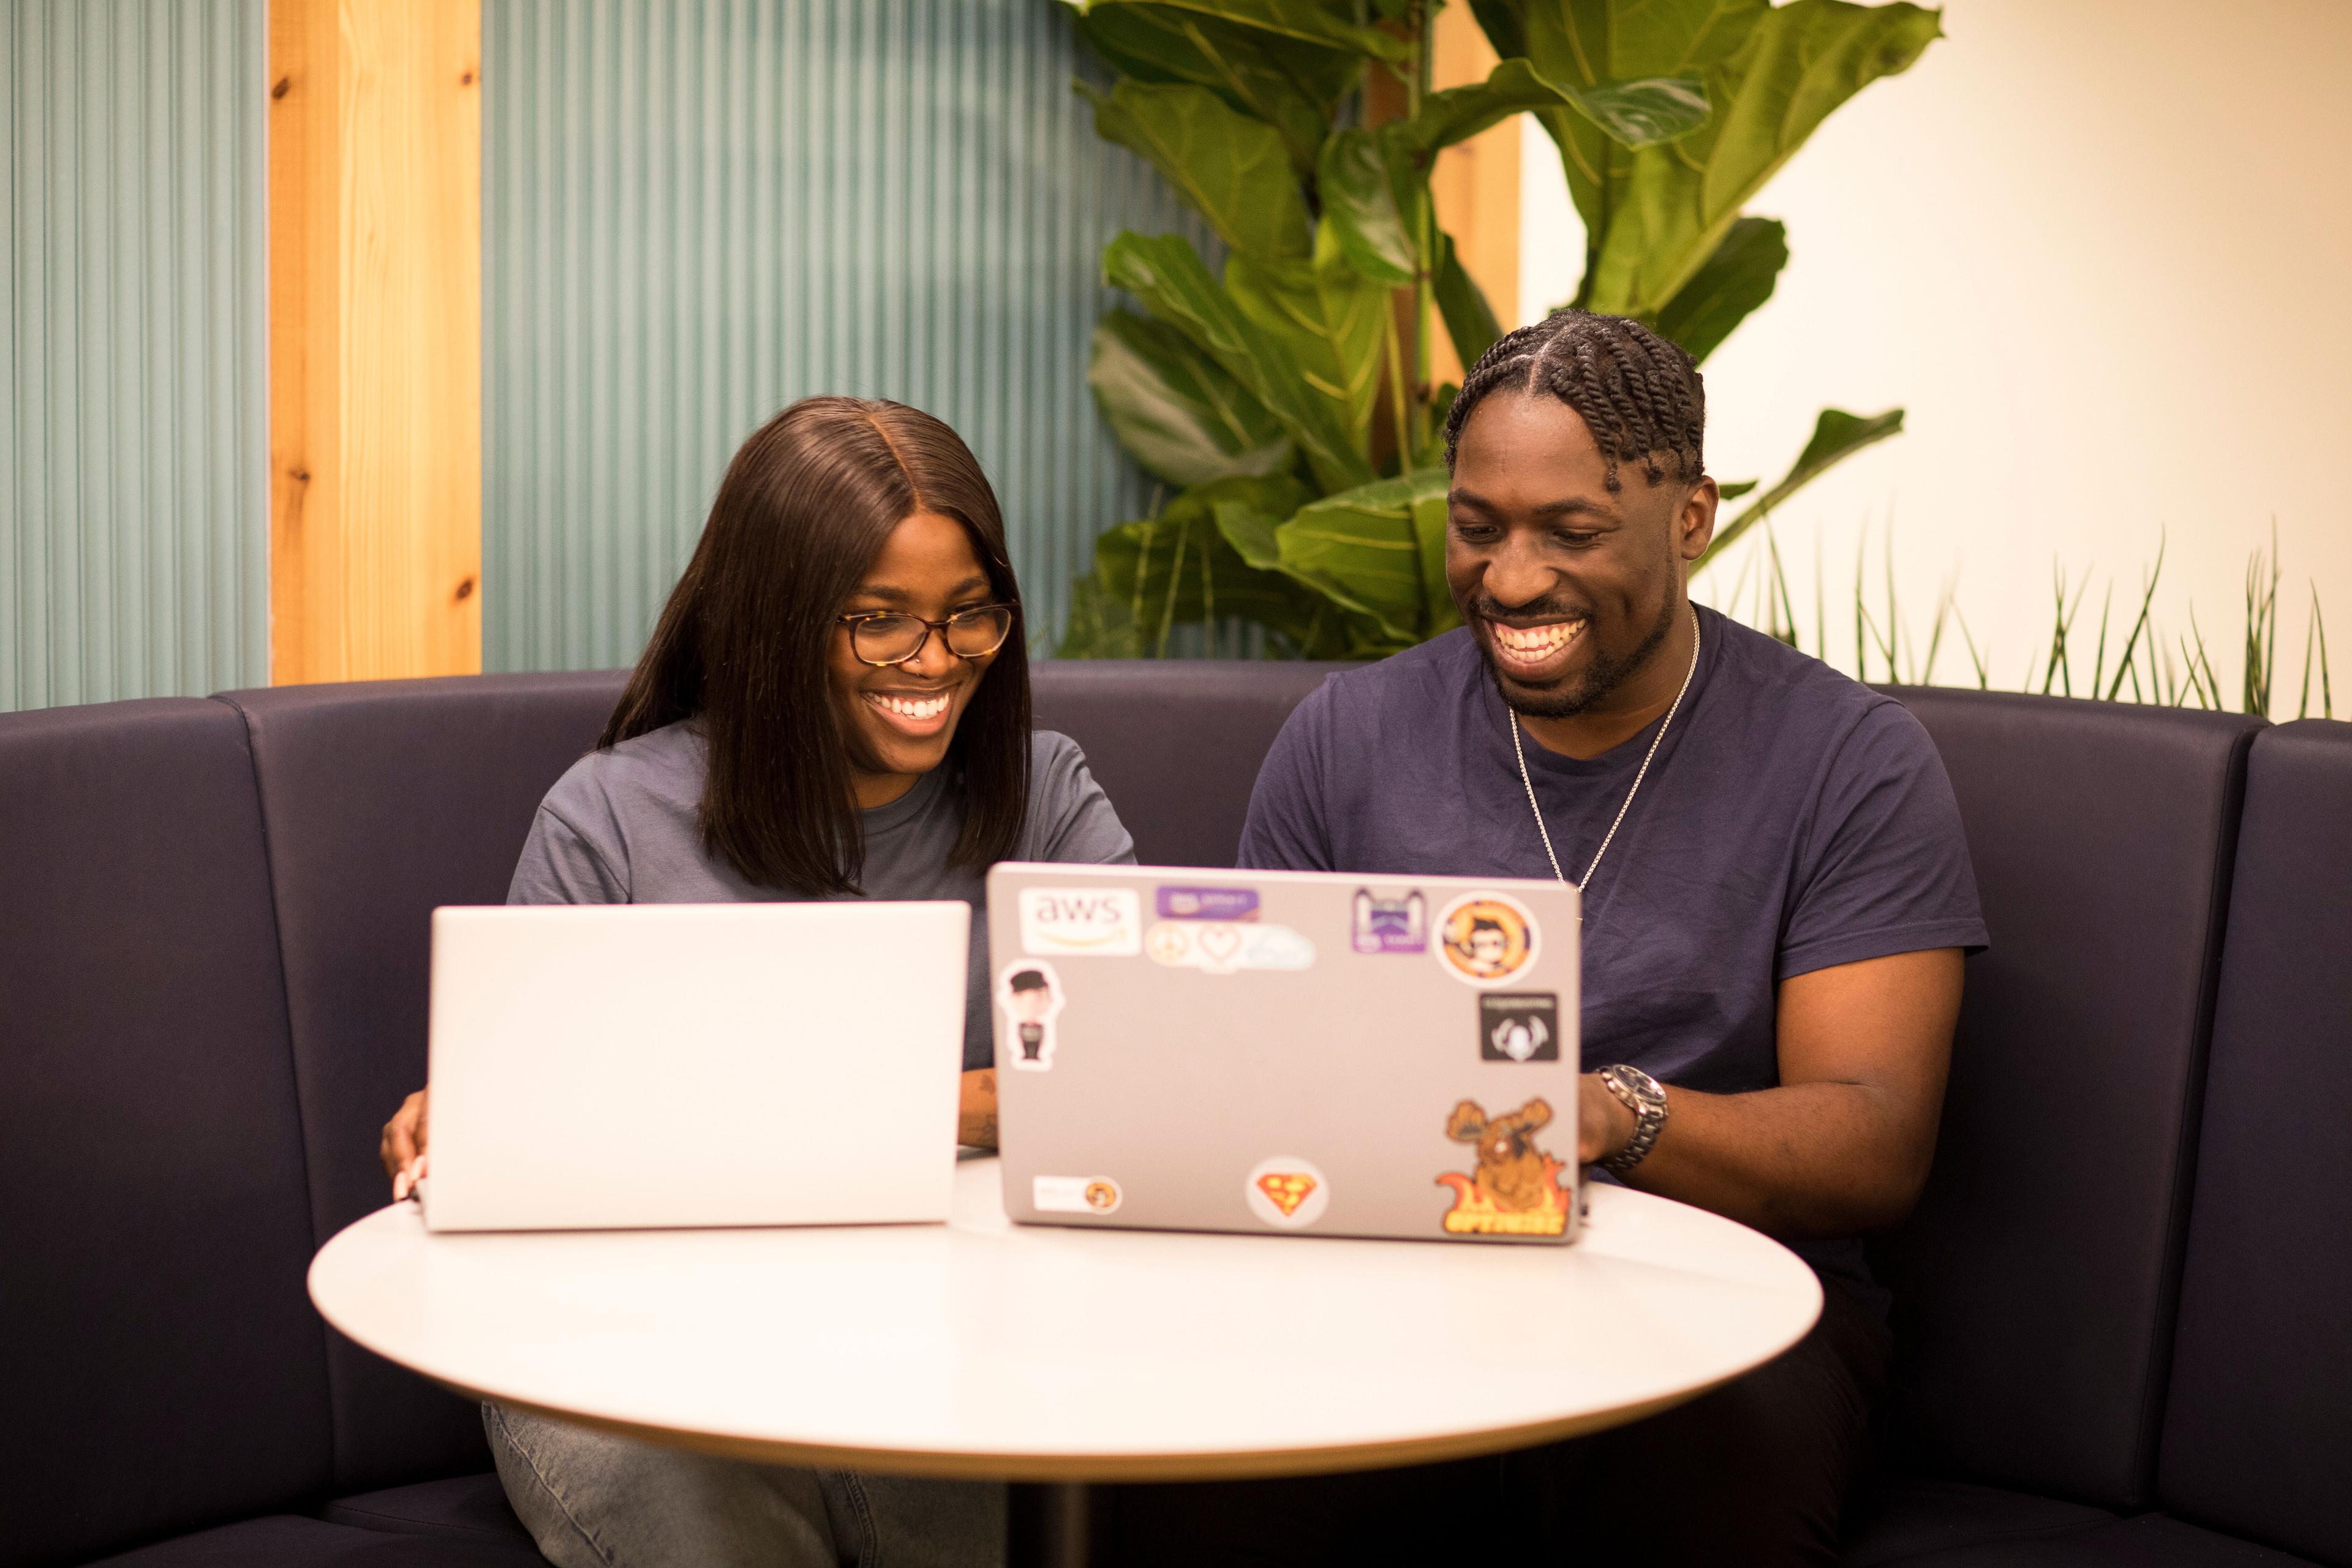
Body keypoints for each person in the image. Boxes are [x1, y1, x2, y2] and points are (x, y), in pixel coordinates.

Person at [1115, 311, 1986, 1566]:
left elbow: (1872, 1141)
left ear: (1693, 515)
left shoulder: (1845, 760)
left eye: (1571, 532)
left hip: (1727, 1312)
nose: (1513, 579)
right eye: (1480, 527)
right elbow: (1261, 1066)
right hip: (1393, 1284)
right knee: (1190, 1496)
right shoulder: (1349, 737)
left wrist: (1597, 1114)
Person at [377, 395, 1135, 1568]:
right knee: (696, 1502)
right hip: (620, 1343)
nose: (933, 665)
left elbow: (1148, 1081)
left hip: (934, 1328)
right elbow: (531, 1133)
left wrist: (843, 1119)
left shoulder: (1047, 797)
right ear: (777, 624)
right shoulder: (614, 819)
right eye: (877, 623)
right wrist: (475, 1123)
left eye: (968, 616)